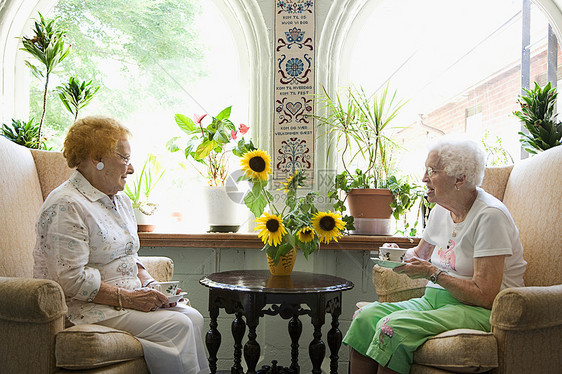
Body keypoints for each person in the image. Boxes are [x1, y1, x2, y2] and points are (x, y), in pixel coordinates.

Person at [33, 116, 210, 374]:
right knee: (178, 326)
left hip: (122, 300)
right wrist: (130, 299)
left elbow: (129, 253)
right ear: (97, 159)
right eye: (124, 159)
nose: (131, 169)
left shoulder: (120, 200)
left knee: (193, 317)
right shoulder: (67, 205)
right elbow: (70, 279)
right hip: (86, 307)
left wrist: (150, 284)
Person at [343, 138, 527, 374]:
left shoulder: (490, 216)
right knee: (365, 317)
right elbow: (419, 254)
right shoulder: (441, 210)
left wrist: (433, 273)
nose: (424, 178)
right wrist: (395, 254)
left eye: (432, 171)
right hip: (433, 301)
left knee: (392, 328)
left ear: (460, 178)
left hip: (477, 309)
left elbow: (486, 295)